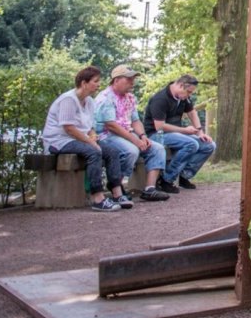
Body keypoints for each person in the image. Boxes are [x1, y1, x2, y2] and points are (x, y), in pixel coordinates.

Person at [40, 66, 125, 212]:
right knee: (94, 152)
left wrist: (92, 135)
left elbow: (89, 126)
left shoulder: (90, 101)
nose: (98, 84)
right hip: (59, 141)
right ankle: (97, 198)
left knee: (112, 152)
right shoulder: (68, 99)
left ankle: (118, 194)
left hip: (79, 139)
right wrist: (91, 142)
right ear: (84, 83)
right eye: (95, 81)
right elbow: (69, 128)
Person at [94, 66, 171, 202]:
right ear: (116, 80)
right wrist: (135, 141)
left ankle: (150, 189)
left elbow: (135, 120)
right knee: (131, 151)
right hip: (107, 135)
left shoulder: (130, 98)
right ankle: (117, 185)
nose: (132, 82)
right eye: (129, 79)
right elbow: (111, 125)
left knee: (157, 148)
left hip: (127, 134)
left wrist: (143, 136)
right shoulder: (106, 98)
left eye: (133, 79)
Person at [143, 74, 215, 194]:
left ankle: (184, 175)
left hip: (176, 133)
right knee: (191, 144)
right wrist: (185, 130)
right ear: (181, 86)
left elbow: (192, 112)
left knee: (209, 145)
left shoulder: (183, 97)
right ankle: (166, 180)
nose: (189, 95)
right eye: (189, 92)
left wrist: (200, 132)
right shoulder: (160, 99)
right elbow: (159, 126)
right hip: (157, 134)